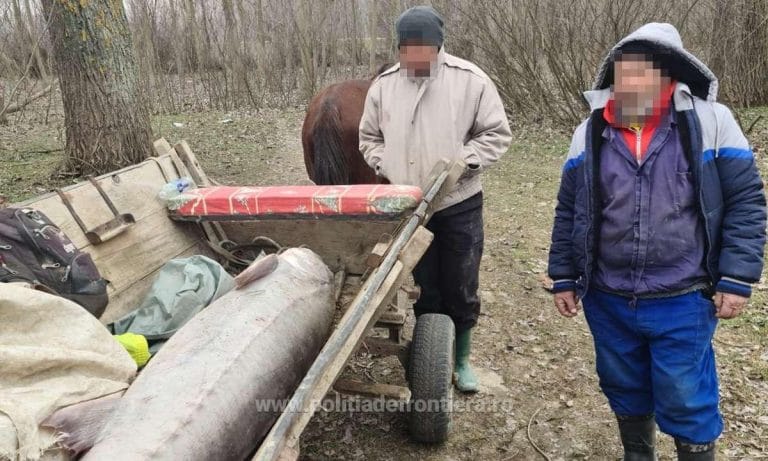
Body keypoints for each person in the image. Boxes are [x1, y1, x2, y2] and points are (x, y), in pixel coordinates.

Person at [548, 23, 766, 460]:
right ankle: (637, 453)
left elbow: (745, 201)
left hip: (684, 297)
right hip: (608, 298)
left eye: (642, 71)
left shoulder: (711, 121)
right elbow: (570, 209)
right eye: (622, 72)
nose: (630, 81)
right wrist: (563, 275)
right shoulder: (587, 133)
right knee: (623, 385)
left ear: (668, 76)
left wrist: (737, 277)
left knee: (686, 396)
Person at [359, 5, 512, 392]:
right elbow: (369, 138)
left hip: (457, 201)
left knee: (461, 282)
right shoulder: (384, 85)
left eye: (423, 49)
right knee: (424, 284)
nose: (414, 57)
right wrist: (387, 163)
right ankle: (431, 354)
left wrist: (465, 162)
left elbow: (495, 134)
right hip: (411, 205)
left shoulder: (471, 80)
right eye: (406, 49)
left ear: (439, 46)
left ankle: (461, 359)